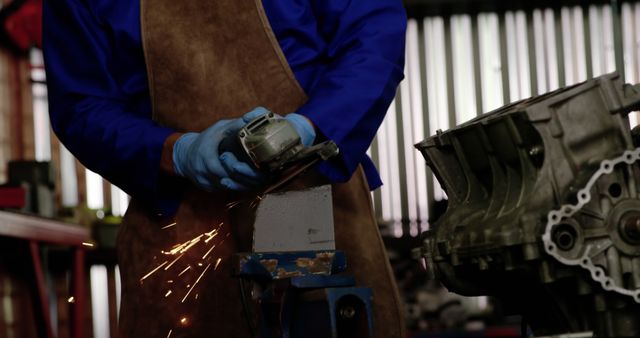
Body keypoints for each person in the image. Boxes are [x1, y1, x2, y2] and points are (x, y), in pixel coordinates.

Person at [44, 0, 407, 337]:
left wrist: (309, 126)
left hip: (312, 195)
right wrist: (177, 152)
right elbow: (81, 104)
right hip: (178, 219)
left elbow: (374, 36)